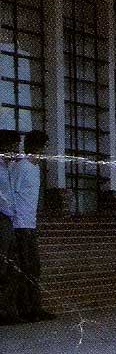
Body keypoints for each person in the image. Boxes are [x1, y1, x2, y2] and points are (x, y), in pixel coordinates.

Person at [11, 130, 54, 321]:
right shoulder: (21, 167)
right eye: (43, 147)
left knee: (34, 267)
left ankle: (34, 307)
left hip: (30, 223)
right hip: (20, 224)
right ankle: (27, 309)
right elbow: (11, 193)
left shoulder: (35, 169)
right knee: (26, 267)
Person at [0, 130, 21, 324]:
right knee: (4, 266)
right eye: (13, 147)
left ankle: (8, 310)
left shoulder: (7, 167)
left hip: (8, 219)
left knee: (10, 266)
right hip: (3, 217)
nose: (16, 152)